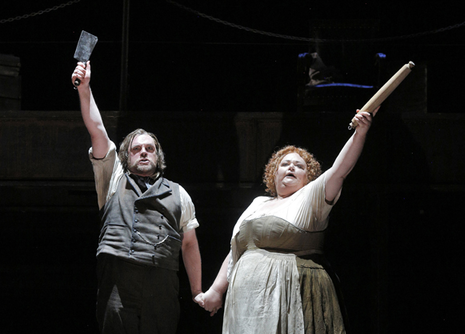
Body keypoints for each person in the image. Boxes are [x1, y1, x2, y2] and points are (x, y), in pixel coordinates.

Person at [198, 107, 378, 334]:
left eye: (299, 166)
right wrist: (216, 290)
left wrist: (359, 133)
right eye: (285, 164)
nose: (291, 167)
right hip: (246, 301)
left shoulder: (311, 198)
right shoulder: (258, 203)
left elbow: (340, 170)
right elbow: (236, 250)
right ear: (274, 174)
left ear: (309, 177)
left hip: (289, 292)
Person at [71, 61, 203, 334]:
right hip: (118, 283)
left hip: (162, 288)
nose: (144, 152)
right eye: (137, 149)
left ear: (158, 156)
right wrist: (85, 89)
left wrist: (197, 291)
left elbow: (189, 244)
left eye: (150, 148)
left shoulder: (179, 193)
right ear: (125, 156)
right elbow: (97, 129)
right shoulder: (113, 177)